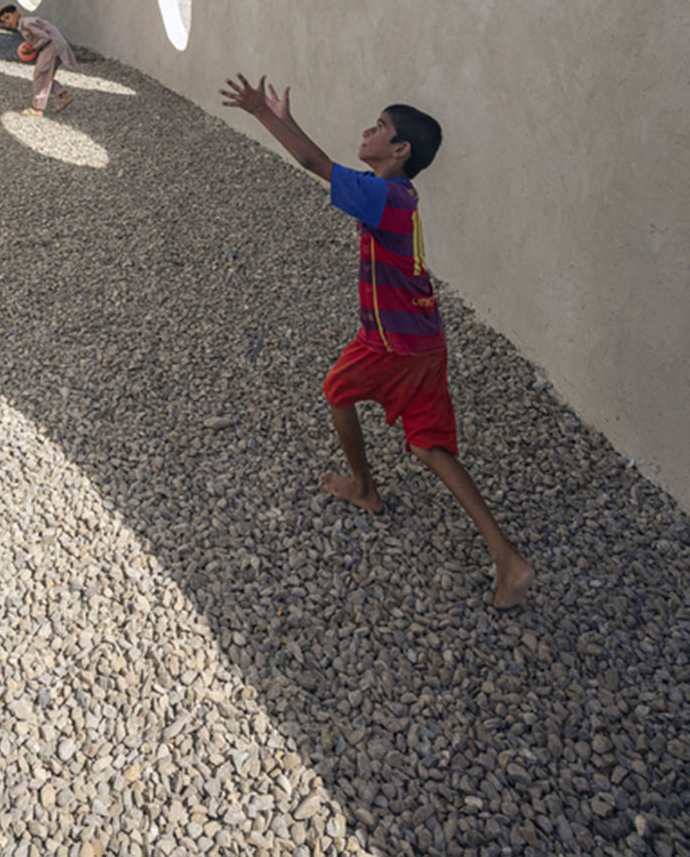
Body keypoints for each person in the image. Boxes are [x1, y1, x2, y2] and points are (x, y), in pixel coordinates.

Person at [220, 72, 533, 611]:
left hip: (389, 343)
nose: (368, 130)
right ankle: (509, 560)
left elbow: (315, 166)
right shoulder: (398, 194)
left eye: (379, 127)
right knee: (428, 445)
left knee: (337, 391)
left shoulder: (384, 195)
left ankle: (365, 487)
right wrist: (287, 118)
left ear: (399, 149)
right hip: (424, 340)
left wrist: (263, 116)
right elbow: (324, 165)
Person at [0, 5, 75, 115]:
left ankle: (37, 108)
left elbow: (45, 38)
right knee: (45, 76)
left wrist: (32, 49)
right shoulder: (23, 25)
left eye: (7, 17)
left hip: (52, 47)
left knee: (40, 75)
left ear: (16, 13)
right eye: (4, 22)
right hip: (54, 46)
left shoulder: (26, 23)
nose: (7, 23)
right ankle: (64, 95)